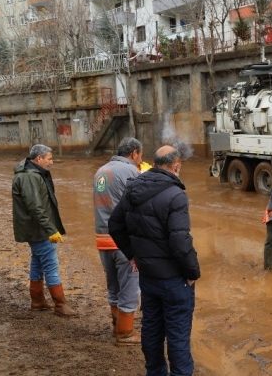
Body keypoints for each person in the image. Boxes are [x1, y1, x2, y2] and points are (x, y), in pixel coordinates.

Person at [109, 145, 200, 376]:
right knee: (178, 335)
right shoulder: (176, 195)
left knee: (152, 328)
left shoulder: (133, 187)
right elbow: (181, 242)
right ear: (176, 165)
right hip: (174, 279)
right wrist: (192, 273)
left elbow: (114, 225)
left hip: (148, 277)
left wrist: (133, 255)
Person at [12, 144, 75, 317]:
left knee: (38, 263)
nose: (52, 162)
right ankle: (60, 305)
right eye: (49, 158)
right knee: (51, 265)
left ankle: (38, 301)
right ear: (39, 159)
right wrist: (50, 229)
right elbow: (35, 207)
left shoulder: (30, 173)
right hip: (39, 230)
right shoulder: (30, 177)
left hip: (35, 228)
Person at [93, 137, 144, 345]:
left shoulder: (101, 171)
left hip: (102, 239)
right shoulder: (130, 172)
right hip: (122, 242)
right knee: (130, 286)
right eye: (140, 155)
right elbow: (139, 205)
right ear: (134, 153)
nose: (141, 159)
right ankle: (125, 333)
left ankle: (116, 325)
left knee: (113, 285)